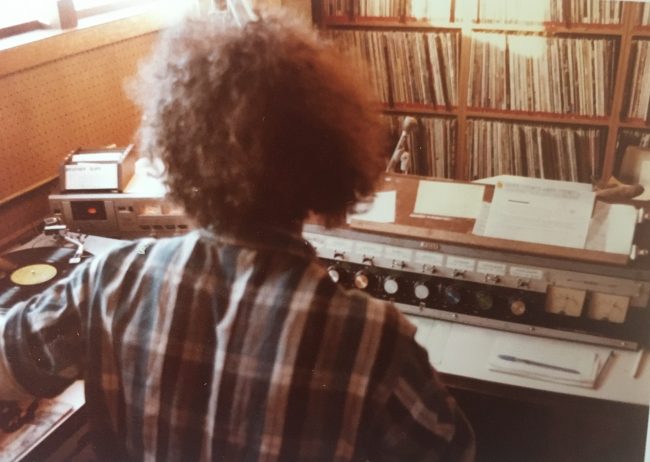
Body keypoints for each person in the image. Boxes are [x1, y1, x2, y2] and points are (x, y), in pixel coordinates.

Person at [0, 8, 475, 461]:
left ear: (176, 149)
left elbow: (9, 363)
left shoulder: (108, 281)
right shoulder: (374, 341)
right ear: (328, 158)